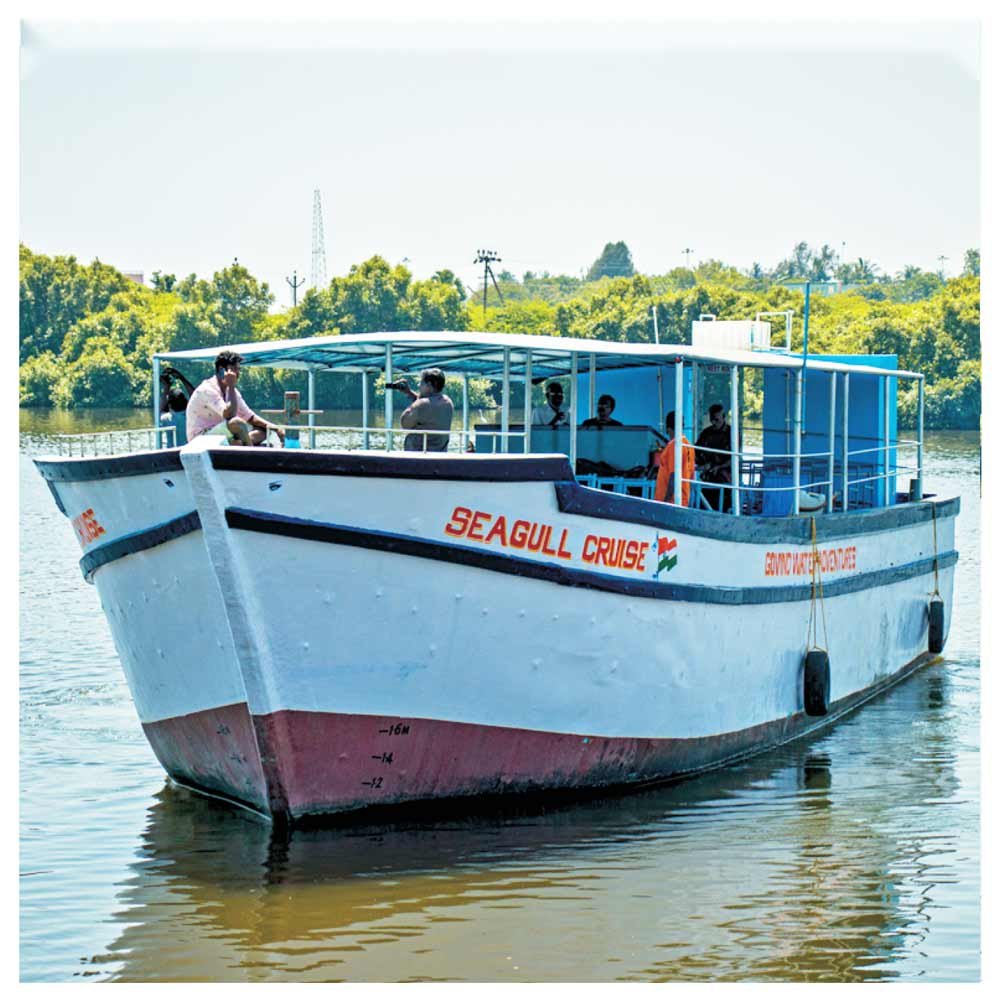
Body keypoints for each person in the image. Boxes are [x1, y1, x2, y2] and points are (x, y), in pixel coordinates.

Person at [185, 350, 285, 446]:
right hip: (201, 439)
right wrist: (231, 386)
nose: (237, 373)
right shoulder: (207, 389)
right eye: (234, 369)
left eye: (238, 369)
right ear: (221, 370)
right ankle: (250, 452)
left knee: (263, 430)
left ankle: (240, 444)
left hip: (221, 435)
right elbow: (229, 415)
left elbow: (250, 416)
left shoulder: (231, 391)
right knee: (237, 423)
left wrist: (275, 428)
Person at [388, 368, 454, 451]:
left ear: (429, 385)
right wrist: (409, 392)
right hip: (439, 455)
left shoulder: (421, 405)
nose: (419, 385)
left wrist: (417, 401)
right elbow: (429, 405)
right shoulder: (447, 402)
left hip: (419, 457)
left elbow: (404, 423)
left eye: (421, 382)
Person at [695, 403, 736, 512]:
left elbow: (734, 458)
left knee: (722, 505)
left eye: (717, 420)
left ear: (724, 417)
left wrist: (718, 467)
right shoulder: (706, 433)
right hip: (707, 476)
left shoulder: (732, 434)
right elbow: (696, 452)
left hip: (724, 477)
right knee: (705, 505)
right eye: (711, 419)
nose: (713, 422)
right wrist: (701, 465)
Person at [654, 411, 695, 506]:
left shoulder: (674, 446)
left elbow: (673, 475)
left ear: (667, 429)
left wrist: (665, 501)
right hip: (683, 499)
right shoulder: (688, 446)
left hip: (671, 501)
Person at [159, 366, 195, 447]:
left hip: (171, 454)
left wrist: (166, 386)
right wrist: (182, 378)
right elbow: (195, 396)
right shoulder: (191, 416)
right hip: (188, 451)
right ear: (186, 403)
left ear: (170, 406)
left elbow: (161, 409)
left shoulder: (167, 419)